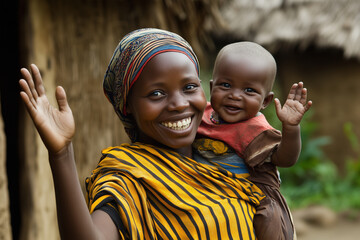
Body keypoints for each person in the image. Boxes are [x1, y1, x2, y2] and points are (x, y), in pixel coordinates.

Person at [19, 28, 265, 240]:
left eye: (189, 87)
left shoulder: (224, 156)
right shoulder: (129, 178)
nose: (179, 104)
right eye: (156, 94)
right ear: (128, 107)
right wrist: (61, 154)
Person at [195, 42, 312, 240]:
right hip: (206, 186)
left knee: (271, 223)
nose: (235, 95)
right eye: (225, 85)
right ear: (212, 87)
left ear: (265, 101)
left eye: (249, 90)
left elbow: (285, 159)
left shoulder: (256, 130)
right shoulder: (201, 115)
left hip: (256, 192)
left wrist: (291, 128)